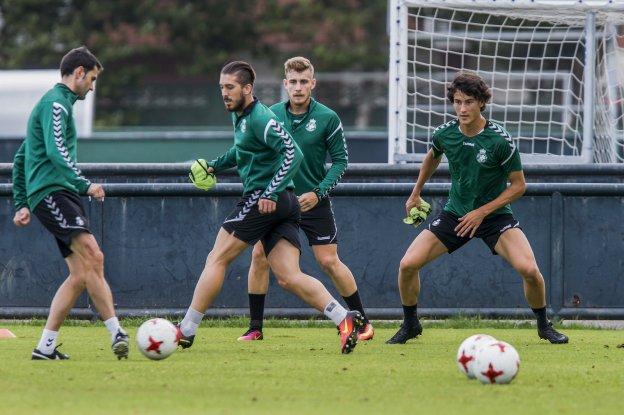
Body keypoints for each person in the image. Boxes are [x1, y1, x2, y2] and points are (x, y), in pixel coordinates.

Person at [177, 61, 364, 354]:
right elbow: (242, 150)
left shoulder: (259, 117)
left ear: (247, 89)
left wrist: (271, 191)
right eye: (221, 88)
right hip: (286, 203)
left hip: (265, 198)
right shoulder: (244, 116)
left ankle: (186, 330)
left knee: (216, 258)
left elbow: (294, 152)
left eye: (230, 88)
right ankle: (344, 318)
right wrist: (215, 166)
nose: (224, 94)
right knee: (289, 276)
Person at [386, 71, 568, 345]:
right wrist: (416, 192)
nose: (462, 108)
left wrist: (482, 211)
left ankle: (544, 325)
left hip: (494, 217)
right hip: (456, 215)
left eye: (469, 102)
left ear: (482, 102)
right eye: (457, 102)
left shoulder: (499, 140)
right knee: (407, 265)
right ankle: (411, 324)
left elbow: (518, 186)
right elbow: (432, 157)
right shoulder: (445, 133)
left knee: (530, 271)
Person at [237, 57, 373, 342]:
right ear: (285, 84)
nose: (298, 88)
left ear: (313, 83)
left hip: (314, 202)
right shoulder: (270, 113)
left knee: (329, 261)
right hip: (279, 203)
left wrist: (318, 192)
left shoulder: (327, 118)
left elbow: (340, 162)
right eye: (293, 82)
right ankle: (255, 327)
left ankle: (362, 322)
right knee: (259, 256)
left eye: (304, 82)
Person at [12, 46, 129, 360]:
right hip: (53, 192)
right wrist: (85, 184)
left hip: (57, 193)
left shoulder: (55, 104)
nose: (92, 87)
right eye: (91, 79)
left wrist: (21, 202)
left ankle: (45, 347)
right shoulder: (56, 105)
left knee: (80, 273)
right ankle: (117, 331)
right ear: (79, 73)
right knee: (94, 254)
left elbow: (22, 155)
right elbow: (56, 153)